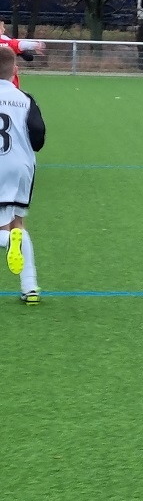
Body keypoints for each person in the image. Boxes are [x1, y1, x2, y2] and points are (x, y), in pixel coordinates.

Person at [0, 47, 45, 303]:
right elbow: (38, 136)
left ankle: (7, 240)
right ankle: (30, 288)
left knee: (6, 233)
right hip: (20, 167)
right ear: (15, 71)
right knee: (18, 222)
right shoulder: (25, 99)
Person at [0, 20, 45, 89]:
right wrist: (35, 45)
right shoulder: (6, 42)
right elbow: (19, 44)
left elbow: (19, 44)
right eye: (2, 27)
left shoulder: (6, 40)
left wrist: (34, 45)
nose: (4, 29)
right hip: (9, 82)